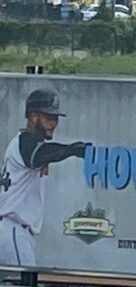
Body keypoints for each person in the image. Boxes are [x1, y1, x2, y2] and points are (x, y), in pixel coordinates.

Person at [0, 89, 88, 267]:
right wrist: (72, 149)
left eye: (55, 118)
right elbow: (38, 154)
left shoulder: (26, 145)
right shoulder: (24, 142)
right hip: (13, 229)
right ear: (33, 116)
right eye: (48, 117)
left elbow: (41, 154)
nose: (53, 123)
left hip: (14, 230)